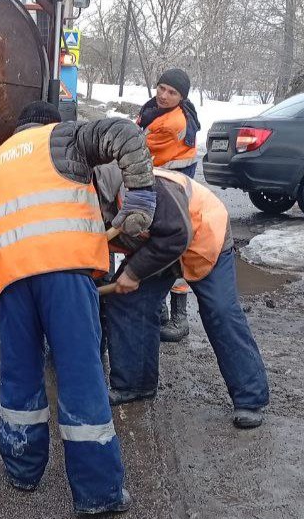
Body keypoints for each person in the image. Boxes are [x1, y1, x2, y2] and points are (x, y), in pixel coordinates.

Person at [0, 101, 156, 515]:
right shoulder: (64, 138)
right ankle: (97, 493)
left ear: (17, 129)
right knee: (80, 375)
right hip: (64, 271)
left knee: (18, 375)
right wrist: (140, 201)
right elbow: (127, 135)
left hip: (9, 279)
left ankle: (22, 470)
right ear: (51, 123)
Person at [96, 162, 269, 430]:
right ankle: (134, 384)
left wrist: (133, 273)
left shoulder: (142, 189)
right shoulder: (91, 203)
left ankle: (250, 398)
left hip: (203, 233)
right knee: (128, 302)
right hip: (157, 244)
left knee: (220, 311)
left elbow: (177, 234)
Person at [137, 67, 201, 343]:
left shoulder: (173, 123)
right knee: (153, 244)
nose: (163, 95)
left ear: (181, 97)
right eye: (161, 88)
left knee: (173, 250)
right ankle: (160, 311)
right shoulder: (154, 109)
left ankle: (179, 318)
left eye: (171, 92)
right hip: (161, 185)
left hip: (172, 189)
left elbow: (138, 147)